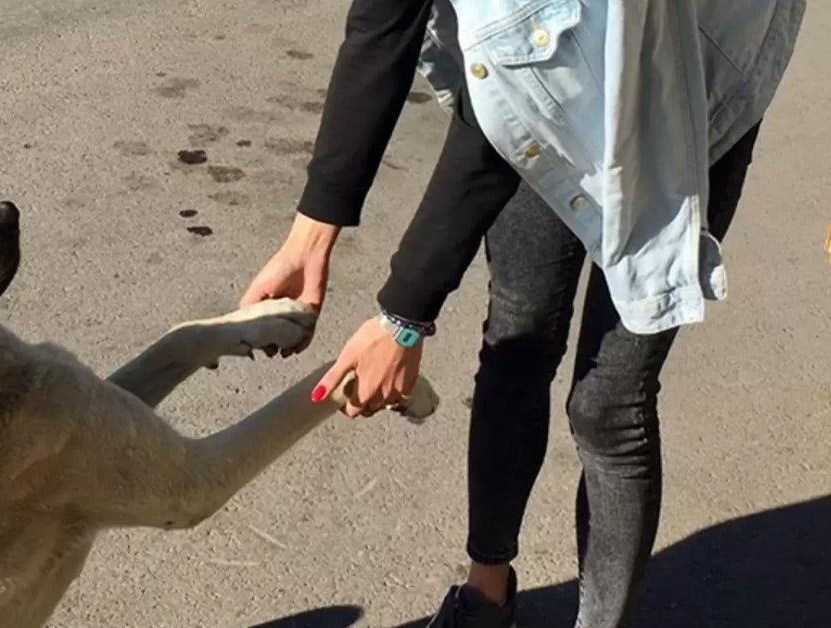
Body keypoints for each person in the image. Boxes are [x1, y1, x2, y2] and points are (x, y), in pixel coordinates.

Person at [239, 2, 806, 627]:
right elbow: (383, 26)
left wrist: (403, 314)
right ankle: (487, 596)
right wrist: (309, 238)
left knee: (607, 405)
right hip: (547, 51)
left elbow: (508, 108)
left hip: (692, 71)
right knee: (519, 335)